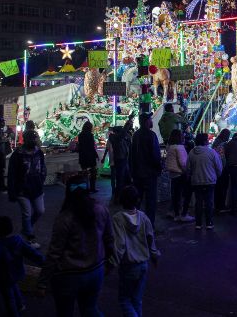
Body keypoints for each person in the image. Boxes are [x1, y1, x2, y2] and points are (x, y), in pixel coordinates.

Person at [37, 174, 114, 317]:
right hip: (96, 270)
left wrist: (43, 281)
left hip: (69, 275)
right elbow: (109, 238)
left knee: (65, 312)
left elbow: (54, 253)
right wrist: (110, 262)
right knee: (90, 309)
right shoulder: (101, 209)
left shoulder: (65, 218)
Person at [108, 185, 160, 317]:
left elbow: (119, 245)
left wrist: (111, 263)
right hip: (143, 264)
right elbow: (150, 238)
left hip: (128, 266)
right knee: (137, 300)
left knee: (124, 300)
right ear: (138, 200)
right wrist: (154, 255)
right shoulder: (143, 217)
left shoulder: (118, 219)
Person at [0, 216, 45, 317]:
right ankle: (20, 304)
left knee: (9, 298)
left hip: (4, 277)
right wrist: (44, 261)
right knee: (14, 286)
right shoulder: (18, 240)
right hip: (17, 273)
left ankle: (14, 313)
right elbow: (32, 253)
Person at [7, 130, 47, 249]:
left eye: (35, 138)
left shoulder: (38, 152)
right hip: (22, 189)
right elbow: (12, 173)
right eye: (33, 138)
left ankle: (26, 229)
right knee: (27, 213)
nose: (35, 140)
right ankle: (30, 238)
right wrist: (12, 190)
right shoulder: (17, 154)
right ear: (26, 139)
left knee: (40, 211)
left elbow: (43, 168)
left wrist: (41, 179)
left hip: (36, 188)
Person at [130, 113, 163, 228]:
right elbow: (155, 155)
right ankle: (149, 227)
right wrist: (159, 167)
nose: (151, 121)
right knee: (150, 202)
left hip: (138, 173)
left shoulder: (136, 135)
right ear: (146, 121)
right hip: (149, 173)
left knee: (137, 200)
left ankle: (136, 224)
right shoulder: (151, 135)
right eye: (150, 119)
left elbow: (132, 155)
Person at [186, 133, 223, 230]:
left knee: (198, 202)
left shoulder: (191, 153)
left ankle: (198, 224)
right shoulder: (212, 152)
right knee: (209, 202)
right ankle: (209, 223)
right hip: (210, 181)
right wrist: (216, 176)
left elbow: (188, 168)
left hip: (196, 181)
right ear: (205, 141)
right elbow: (219, 167)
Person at [164, 129, 195, 222]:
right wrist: (188, 172)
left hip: (173, 173)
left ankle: (176, 213)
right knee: (186, 194)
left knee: (175, 195)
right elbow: (183, 163)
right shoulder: (179, 148)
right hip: (180, 173)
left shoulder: (170, 147)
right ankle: (183, 214)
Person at [103, 126, 132, 204]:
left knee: (124, 180)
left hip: (122, 160)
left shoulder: (119, 139)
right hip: (120, 160)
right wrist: (128, 123)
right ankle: (118, 198)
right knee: (120, 180)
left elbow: (128, 144)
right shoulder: (116, 138)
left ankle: (121, 197)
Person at [211, 129, 232, 213]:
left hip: (216, 168)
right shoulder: (222, 144)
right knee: (222, 187)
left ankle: (217, 205)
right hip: (221, 169)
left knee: (218, 188)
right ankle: (221, 206)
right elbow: (222, 158)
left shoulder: (216, 142)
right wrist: (223, 168)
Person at [78, 121, 100, 193]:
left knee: (84, 173)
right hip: (90, 156)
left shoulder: (80, 135)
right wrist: (96, 155)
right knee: (93, 172)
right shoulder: (90, 135)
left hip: (83, 156)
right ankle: (92, 188)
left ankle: (84, 188)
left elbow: (80, 146)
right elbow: (91, 147)